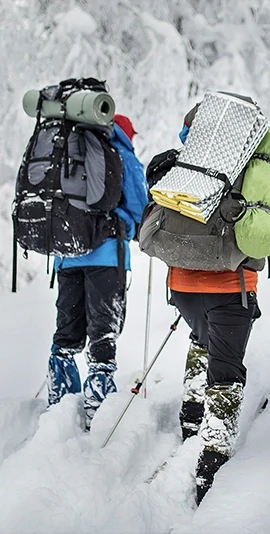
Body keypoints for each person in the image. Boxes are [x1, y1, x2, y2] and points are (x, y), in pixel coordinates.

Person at [165, 115, 270, 505]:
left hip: (181, 286)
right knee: (226, 370)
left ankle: (191, 417)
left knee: (199, 340)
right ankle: (212, 460)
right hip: (231, 289)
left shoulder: (187, 166)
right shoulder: (261, 180)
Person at [46, 113, 148, 429]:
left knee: (67, 330)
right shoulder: (121, 154)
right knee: (103, 330)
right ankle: (98, 409)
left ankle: (59, 402)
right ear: (125, 132)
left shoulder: (67, 152)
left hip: (67, 254)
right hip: (106, 255)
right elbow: (139, 207)